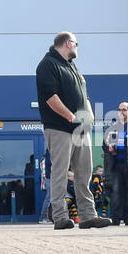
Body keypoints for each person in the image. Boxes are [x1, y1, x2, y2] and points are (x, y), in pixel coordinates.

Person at [36, 31, 110, 230]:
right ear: (68, 43)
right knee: (60, 173)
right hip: (59, 128)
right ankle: (60, 217)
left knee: (84, 173)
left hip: (81, 130)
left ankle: (88, 216)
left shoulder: (73, 67)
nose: (78, 48)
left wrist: (90, 116)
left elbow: (85, 96)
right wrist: (71, 116)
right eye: (76, 44)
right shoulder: (47, 65)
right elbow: (50, 97)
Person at [103, 102, 128, 224]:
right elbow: (104, 145)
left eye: (124, 110)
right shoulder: (112, 128)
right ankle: (116, 218)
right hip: (116, 165)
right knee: (116, 192)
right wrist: (109, 148)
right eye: (120, 109)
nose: (122, 112)